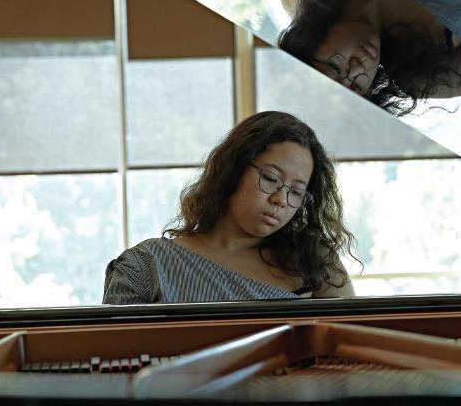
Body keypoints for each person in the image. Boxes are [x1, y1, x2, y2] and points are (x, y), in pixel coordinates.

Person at [103, 111, 357, 305]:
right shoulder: (147, 264)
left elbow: (351, 350)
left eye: (296, 192)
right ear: (233, 170)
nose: (281, 199)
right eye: (270, 179)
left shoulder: (314, 261)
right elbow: (114, 355)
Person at [278, 0, 461, 116]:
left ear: (311, 39)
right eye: (356, 86)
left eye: (335, 67)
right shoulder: (422, 75)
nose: (358, 68)